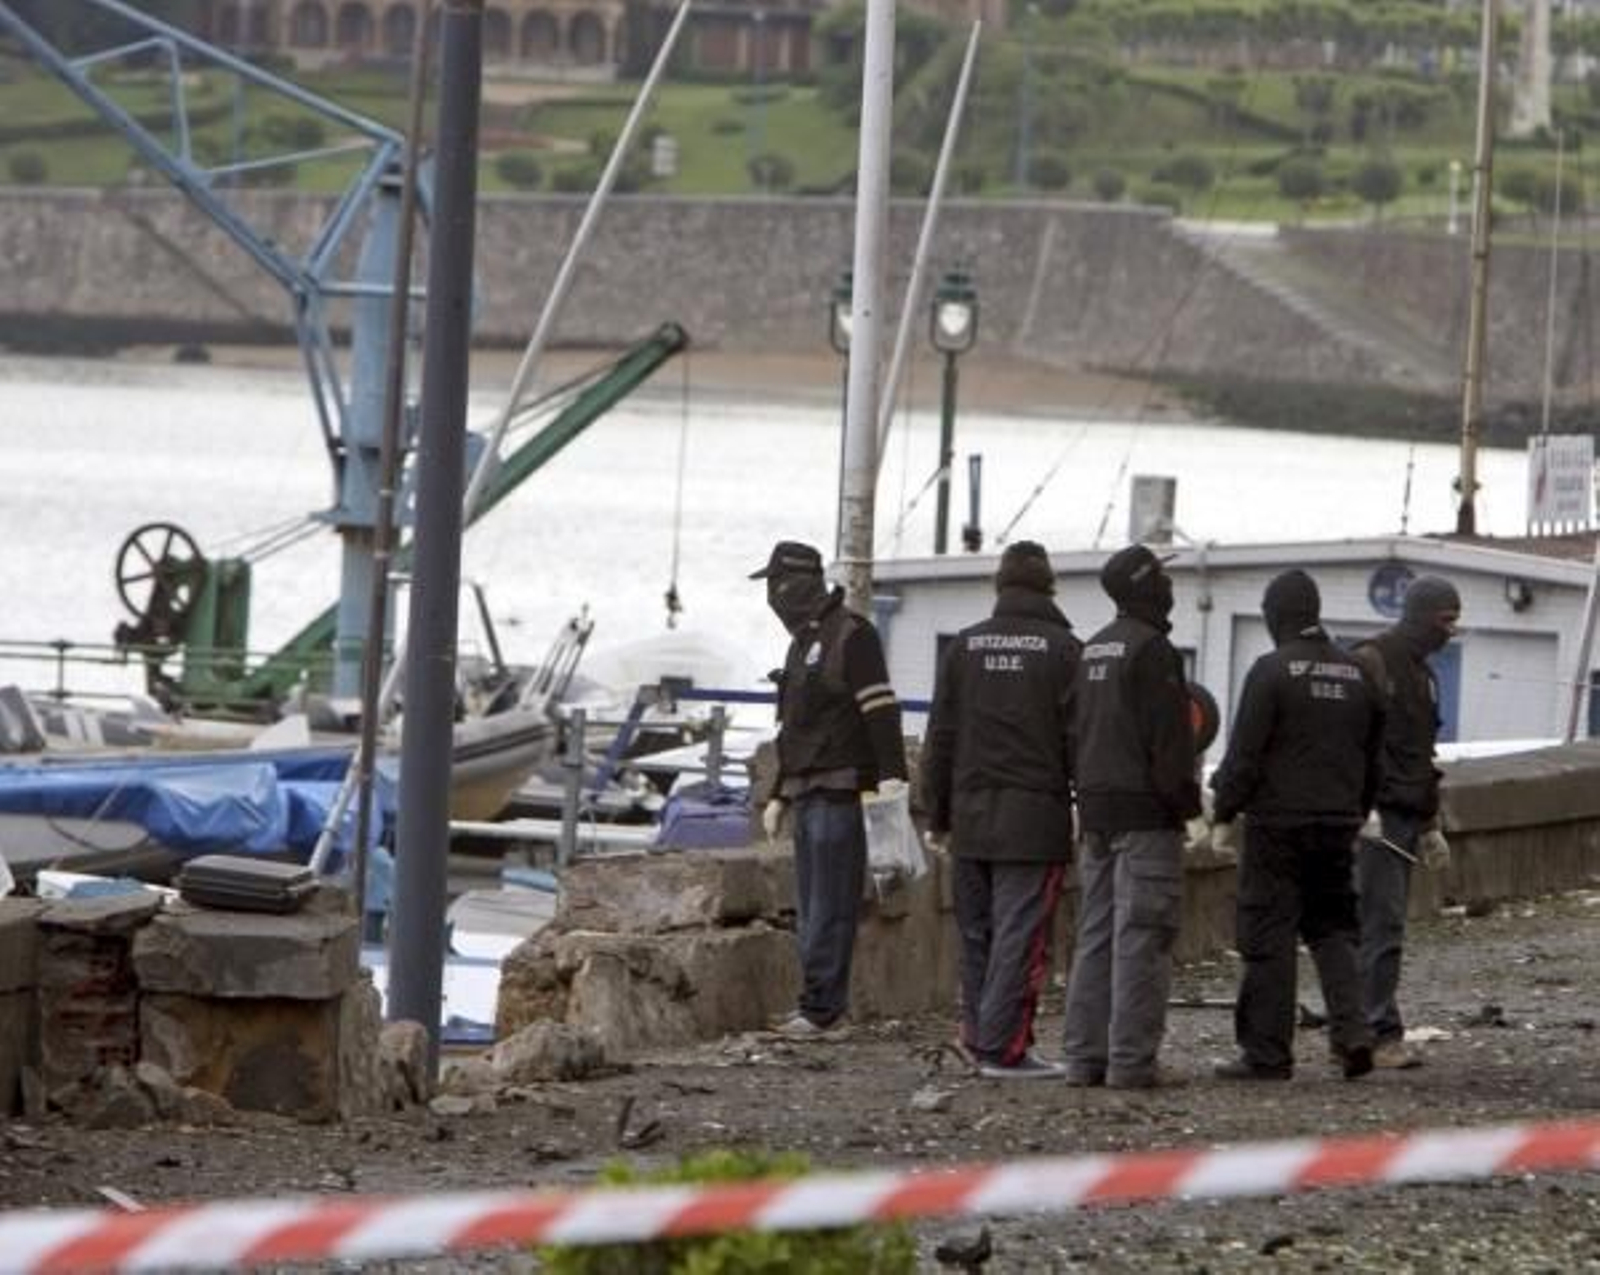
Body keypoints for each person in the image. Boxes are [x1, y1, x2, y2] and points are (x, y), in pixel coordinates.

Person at [1209, 569, 1384, 1082]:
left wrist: (1223, 813)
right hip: (1338, 822)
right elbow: (1373, 761)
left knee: (1270, 936)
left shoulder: (1271, 671)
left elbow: (1244, 756)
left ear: (1276, 616)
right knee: (1333, 930)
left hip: (1277, 827)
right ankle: (1353, 1035)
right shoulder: (1358, 674)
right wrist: (1357, 811)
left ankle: (1267, 1054)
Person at [922, 541, 1081, 1080]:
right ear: (1048, 586)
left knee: (977, 934)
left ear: (999, 585)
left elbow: (940, 736)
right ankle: (1004, 1049)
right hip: (1034, 819)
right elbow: (1079, 739)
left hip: (970, 816)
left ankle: (975, 1036)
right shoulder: (1064, 651)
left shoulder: (964, 648)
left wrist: (937, 814)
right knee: (1021, 936)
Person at [752, 540, 908, 1039]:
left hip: (843, 789)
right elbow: (791, 728)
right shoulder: (802, 643)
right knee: (812, 906)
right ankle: (815, 1003)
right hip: (807, 791)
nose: (773, 596)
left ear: (798, 582)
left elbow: (881, 711)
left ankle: (823, 1011)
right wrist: (778, 792)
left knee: (831, 906)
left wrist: (891, 779)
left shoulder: (851, 636)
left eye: (778, 584)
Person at [1062, 544, 1200, 1089]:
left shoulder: (1093, 649)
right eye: (1163, 575)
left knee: (1094, 937)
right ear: (1148, 585)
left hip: (1095, 812)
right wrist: (1186, 807)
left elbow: (1073, 733)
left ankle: (1083, 1058)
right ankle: (1131, 1061)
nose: (1169, 584)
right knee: (1144, 934)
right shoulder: (1154, 652)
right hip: (1145, 815)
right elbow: (1171, 745)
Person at [1350, 576, 1461, 1070]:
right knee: (1381, 924)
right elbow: (1352, 742)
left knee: (1380, 924)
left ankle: (1362, 1024)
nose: (1450, 631)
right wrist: (1362, 807)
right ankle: (1377, 1030)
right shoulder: (1373, 663)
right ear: (1421, 616)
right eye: (1445, 620)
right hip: (1378, 815)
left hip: (1407, 813)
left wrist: (1430, 820)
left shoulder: (1423, 674)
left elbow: (1422, 754)